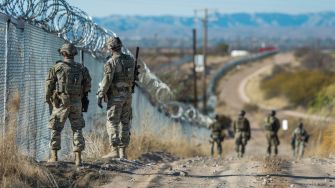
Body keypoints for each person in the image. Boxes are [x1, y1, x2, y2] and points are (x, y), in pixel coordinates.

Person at [45, 43, 91, 166]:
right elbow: (87, 86)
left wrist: (47, 98)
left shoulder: (57, 67)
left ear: (63, 53)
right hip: (76, 101)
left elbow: (49, 85)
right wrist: (80, 94)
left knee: (56, 127)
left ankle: (54, 157)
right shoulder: (82, 68)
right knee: (77, 128)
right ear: (74, 54)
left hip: (61, 101)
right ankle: (78, 159)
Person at [97, 36, 139, 159]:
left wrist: (100, 94)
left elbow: (107, 81)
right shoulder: (130, 60)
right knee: (125, 123)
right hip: (127, 95)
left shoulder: (111, 62)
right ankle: (123, 152)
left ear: (110, 48)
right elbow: (134, 77)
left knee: (112, 122)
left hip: (115, 96)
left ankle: (114, 150)